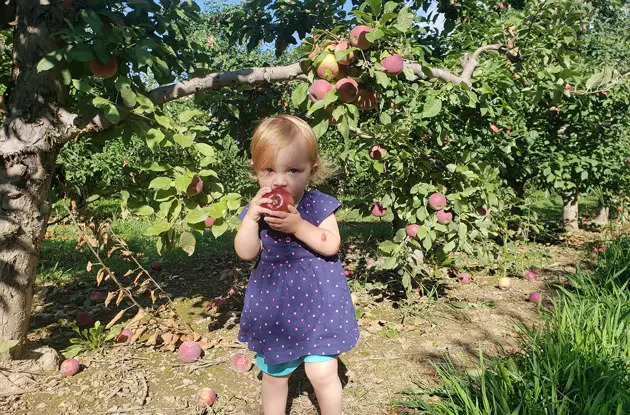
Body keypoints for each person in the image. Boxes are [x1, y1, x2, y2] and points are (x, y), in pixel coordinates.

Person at [234, 115, 359, 415]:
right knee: (275, 375)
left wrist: (298, 226)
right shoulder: (258, 209)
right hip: (275, 305)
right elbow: (246, 252)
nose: (279, 180)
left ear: (311, 170)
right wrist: (251, 220)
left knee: (322, 373)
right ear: (256, 171)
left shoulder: (317, 204)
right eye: (268, 170)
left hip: (320, 303)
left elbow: (331, 244)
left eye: (292, 170)